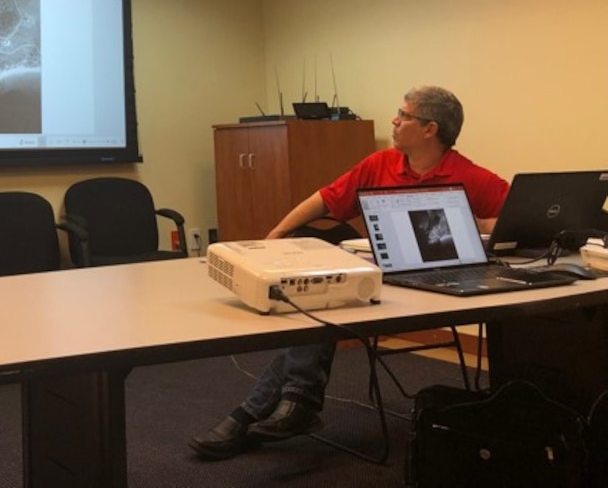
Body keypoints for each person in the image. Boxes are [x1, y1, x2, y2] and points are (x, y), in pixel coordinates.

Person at [190, 85, 509, 459]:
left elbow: (507, 225)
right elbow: (326, 199)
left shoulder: (469, 176)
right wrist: (277, 234)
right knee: (324, 301)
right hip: (381, 279)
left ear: (429, 129)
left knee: (323, 308)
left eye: (404, 115)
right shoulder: (380, 164)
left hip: (436, 285)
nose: (395, 119)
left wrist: (477, 225)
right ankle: (289, 404)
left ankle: (268, 409)